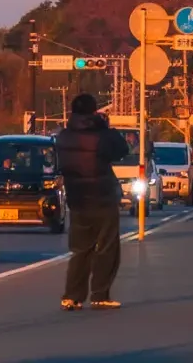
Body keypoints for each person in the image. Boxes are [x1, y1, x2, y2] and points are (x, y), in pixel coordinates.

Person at [54, 94, 129, 311]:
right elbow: (121, 150)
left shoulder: (63, 137)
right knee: (106, 247)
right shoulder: (101, 135)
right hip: (103, 197)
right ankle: (100, 294)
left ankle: (72, 296)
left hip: (77, 198)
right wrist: (105, 126)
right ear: (94, 111)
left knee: (80, 249)